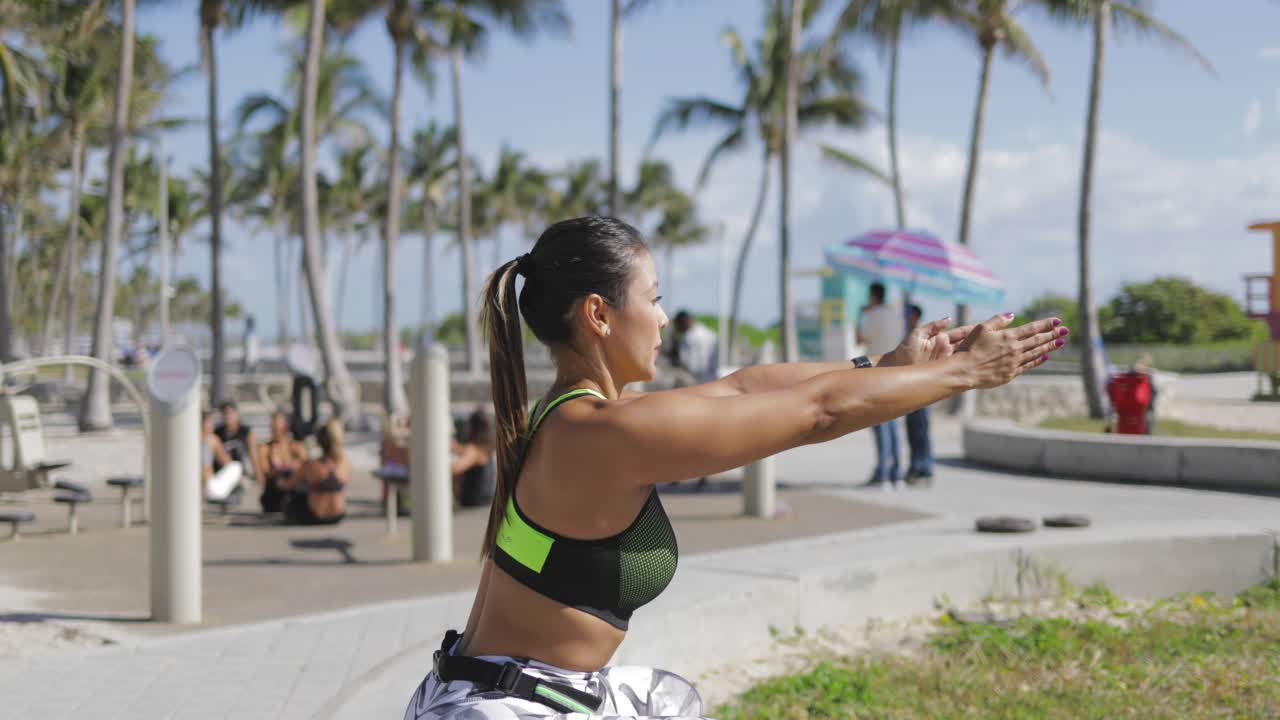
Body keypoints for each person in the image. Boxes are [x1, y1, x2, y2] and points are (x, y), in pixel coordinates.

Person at [402, 216, 1069, 719]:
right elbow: (816, 415)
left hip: (505, 689)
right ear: (600, 315)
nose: (664, 320)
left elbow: (747, 388)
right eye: (653, 298)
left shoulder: (583, 414)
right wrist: (962, 373)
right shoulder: (600, 434)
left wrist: (890, 366)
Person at [856, 281, 906, 488]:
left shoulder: (871, 315)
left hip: (876, 372)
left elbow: (859, 339)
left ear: (872, 295)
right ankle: (897, 474)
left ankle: (882, 474)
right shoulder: (896, 315)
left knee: (880, 424)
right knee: (893, 425)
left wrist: (861, 315)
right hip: (896, 372)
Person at [283, 418, 349, 525]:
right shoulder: (345, 464)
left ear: (319, 442)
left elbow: (288, 484)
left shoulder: (311, 465)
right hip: (338, 515)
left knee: (295, 494)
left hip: (315, 515)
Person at [903, 304, 935, 485]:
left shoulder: (923, 337)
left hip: (922, 393)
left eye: (908, 314)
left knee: (921, 432)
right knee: (913, 432)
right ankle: (916, 467)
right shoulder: (908, 335)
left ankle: (923, 469)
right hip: (911, 392)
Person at [256, 410, 306, 513]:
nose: (275, 431)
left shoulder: (296, 447)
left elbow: (307, 469)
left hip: (292, 488)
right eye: (273, 427)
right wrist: (281, 467)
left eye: (278, 428)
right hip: (274, 491)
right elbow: (265, 473)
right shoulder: (265, 448)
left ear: (286, 428)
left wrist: (291, 465)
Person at [451, 409, 496, 508]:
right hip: (484, 503)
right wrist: (454, 447)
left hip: (471, 505)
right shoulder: (486, 448)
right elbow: (465, 451)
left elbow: (454, 469)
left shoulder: (474, 450)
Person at [215, 400, 260, 483]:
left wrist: (259, 477)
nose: (228, 416)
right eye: (225, 413)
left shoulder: (245, 432)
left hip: (242, 474)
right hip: (223, 475)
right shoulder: (217, 433)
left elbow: (254, 456)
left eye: (230, 413)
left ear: (237, 414)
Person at [201, 410, 241, 503]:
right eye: (210, 422)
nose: (212, 425)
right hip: (207, 486)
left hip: (201, 484)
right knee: (236, 467)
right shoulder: (211, 439)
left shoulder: (190, 438)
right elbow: (226, 461)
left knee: (235, 467)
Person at [673, 310, 719, 384]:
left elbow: (686, 362)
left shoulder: (689, 337)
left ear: (683, 322)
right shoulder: (710, 333)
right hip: (712, 380)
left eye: (678, 324)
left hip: (694, 381)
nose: (677, 328)